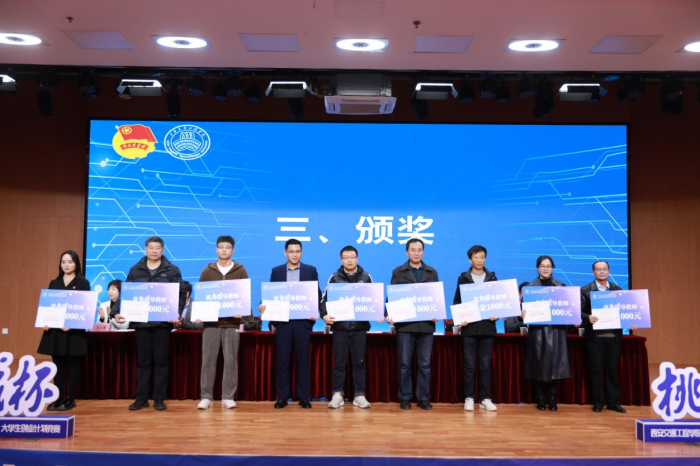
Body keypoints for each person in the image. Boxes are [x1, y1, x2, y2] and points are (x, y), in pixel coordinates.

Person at [121, 236, 183, 411]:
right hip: (142, 323)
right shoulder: (135, 270)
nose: (154, 251)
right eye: (151, 248)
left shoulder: (172, 270)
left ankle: (159, 399)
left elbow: (180, 294)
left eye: (157, 248)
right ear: (145, 249)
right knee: (143, 362)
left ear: (162, 250)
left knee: (161, 361)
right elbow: (127, 293)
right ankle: (141, 399)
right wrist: (117, 312)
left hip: (163, 323)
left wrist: (176, 312)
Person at [258, 239, 320, 409]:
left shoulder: (310, 270)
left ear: (301, 252)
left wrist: (315, 310)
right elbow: (271, 294)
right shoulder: (277, 271)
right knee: (283, 362)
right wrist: (262, 305)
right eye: (291, 251)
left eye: (297, 251)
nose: (294, 254)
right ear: (285, 253)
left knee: (303, 362)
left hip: (302, 322)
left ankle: (304, 397)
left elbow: (316, 293)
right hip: (283, 323)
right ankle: (282, 397)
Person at [320, 245, 381, 409]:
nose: (349, 260)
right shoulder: (334, 277)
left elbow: (373, 298)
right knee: (339, 363)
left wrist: (377, 312)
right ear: (341, 260)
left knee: (359, 363)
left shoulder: (366, 277)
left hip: (359, 327)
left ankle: (359, 395)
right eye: (346, 257)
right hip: (340, 327)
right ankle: (337, 394)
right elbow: (323, 300)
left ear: (357, 258)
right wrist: (324, 315)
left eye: (352, 257)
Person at [197, 236, 249, 410]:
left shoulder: (241, 270)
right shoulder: (207, 271)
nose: (224, 250)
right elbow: (202, 296)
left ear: (233, 250)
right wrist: (199, 314)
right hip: (211, 324)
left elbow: (244, 296)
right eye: (221, 247)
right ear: (216, 250)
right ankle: (206, 396)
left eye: (228, 247)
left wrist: (241, 310)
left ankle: (228, 396)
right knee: (208, 360)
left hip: (232, 323)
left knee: (230, 361)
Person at [387, 238, 439, 411]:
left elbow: (435, 297)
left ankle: (423, 398)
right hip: (405, 325)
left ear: (423, 252)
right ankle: (405, 397)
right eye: (413, 250)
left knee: (425, 364)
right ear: (407, 252)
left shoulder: (432, 272)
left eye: (419, 250)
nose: (416, 253)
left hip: (426, 325)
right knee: (404, 363)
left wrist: (437, 311)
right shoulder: (398, 272)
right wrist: (389, 313)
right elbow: (393, 296)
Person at [38, 250, 90, 412]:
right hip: (56, 332)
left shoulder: (83, 283)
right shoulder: (54, 283)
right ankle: (57, 397)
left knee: (73, 364)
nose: (66, 265)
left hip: (74, 332)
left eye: (70, 262)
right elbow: (49, 306)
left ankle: (70, 398)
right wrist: (46, 321)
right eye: (63, 262)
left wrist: (71, 323)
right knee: (58, 365)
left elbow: (85, 308)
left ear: (76, 264)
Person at [452, 245, 498, 412]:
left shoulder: (492, 278)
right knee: (469, 365)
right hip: (469, 329)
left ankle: (485, 398)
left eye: (483, 257)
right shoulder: (463, 278)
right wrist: (460, 319)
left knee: (485, 366)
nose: (480, 260)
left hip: (487, 328)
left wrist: (497, 314)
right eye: (476, 257)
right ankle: (469, 397)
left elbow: (497, 302)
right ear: (470, 260)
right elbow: (457, 302)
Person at [522, 255, 571, 411]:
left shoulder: (561, 286)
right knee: (538, 365)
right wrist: (523, 313)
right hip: (538, 332)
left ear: (552, 268)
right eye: (543, 266)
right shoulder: (530, 287)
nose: (545, 269)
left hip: (556, 331)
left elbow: (567, 307)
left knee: (555, 366)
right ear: (538, 268)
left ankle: (552, 398)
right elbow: (523, 310)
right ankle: (540, 398)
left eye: (548, 266)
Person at [581, 260, 630, 414]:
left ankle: (614, 402)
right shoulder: (585, 290)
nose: (602, 272)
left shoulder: (617, 290)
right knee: (596, 369)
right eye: (598, 269)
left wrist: (631, 321)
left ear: (609, 271)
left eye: (604, 269)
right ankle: (598, 402)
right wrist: (587, 317)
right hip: (594, 337)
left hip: (613, 336)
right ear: (593, 272)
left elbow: (625, 310)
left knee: (612, 369)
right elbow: (579, 312)